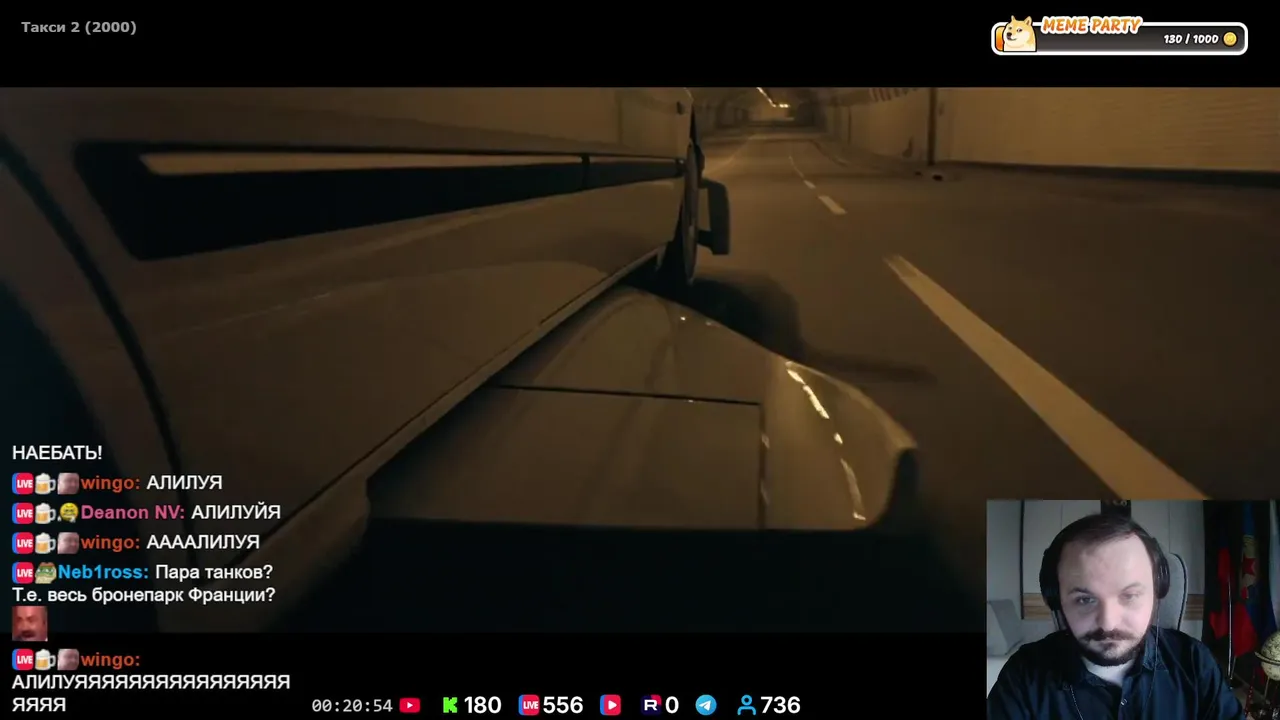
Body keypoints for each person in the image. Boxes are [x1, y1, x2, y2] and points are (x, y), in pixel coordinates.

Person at [988, 512, 1245, 720]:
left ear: (1158, 591)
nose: (1108, 623)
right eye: (1085, 599)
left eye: (1130, 595)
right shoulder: (1023, 678)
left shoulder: (1195, 663)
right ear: (1056, 599)